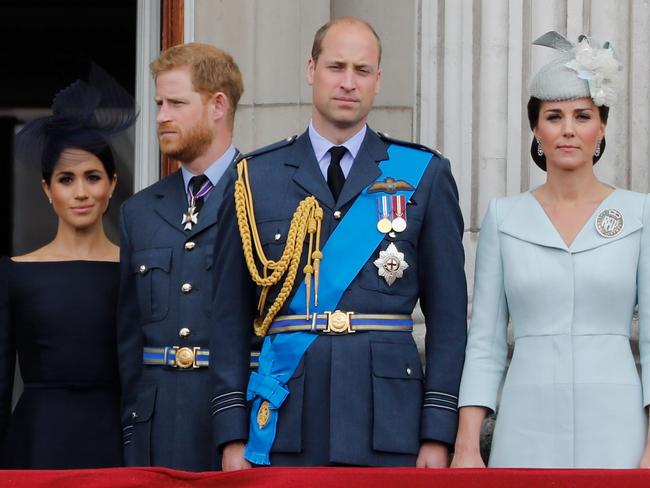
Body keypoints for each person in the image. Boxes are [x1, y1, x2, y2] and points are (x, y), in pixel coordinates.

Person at [211, 17, 467, 469]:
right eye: (336, 67)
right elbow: (229, 318)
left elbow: (448, 319)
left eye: (362, 70)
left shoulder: (423, 174)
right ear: (311, 69)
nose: (349, 83)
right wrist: (232, 435)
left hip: (389, 423)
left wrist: (437, 432)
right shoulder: (255, 177)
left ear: (378, 80)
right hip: (284, 423)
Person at [452, 31, 650, 468]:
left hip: (617, 421)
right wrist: (467, 443)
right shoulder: (504, 218)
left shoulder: (640, 213)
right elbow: (485, 340)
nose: (567, 130)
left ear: (601, 126)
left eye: (582, 116)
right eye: (553, 116)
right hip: (526, 419)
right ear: (535, 128)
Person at [117, 43, 245, 471]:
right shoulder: (139, 212)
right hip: (155, 429)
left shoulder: (264, 195)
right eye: (158, 103)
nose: (160, 117)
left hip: (238, 424)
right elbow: (130, 337)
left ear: (218, 105)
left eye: (176, 102)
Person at [0, 67, 137, 469]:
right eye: (66, 179)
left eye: (92, 177)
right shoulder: (13, 273)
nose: (80, 192)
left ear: (111, 184)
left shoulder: (135, 270)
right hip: (36, 446)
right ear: (47, 189)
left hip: (118, 444)